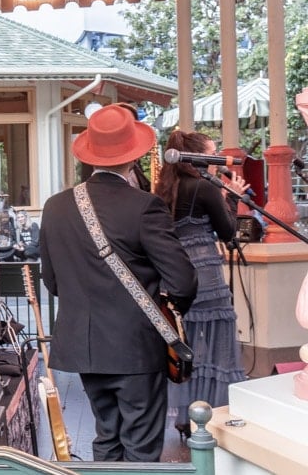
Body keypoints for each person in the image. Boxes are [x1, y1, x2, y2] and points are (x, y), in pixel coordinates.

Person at [39, 104, 197, 462]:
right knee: (141, 448)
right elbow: (183, 281)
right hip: (136, 346)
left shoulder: (55, 206)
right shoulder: (145, 207)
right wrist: (169, 312)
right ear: (134, 155)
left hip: (83, 345)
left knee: (106, 438)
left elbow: (53, 281)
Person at [154, 130, 249, 439]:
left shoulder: (163, 191)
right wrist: (232, 198)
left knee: (186, 345)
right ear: (198, 157)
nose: (217, 157)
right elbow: (227, 233)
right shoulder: (205, 188)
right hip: (206, 276)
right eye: (212, 152)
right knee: (218, 347)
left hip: (174, 276)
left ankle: (185, 415)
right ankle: (212, 413)